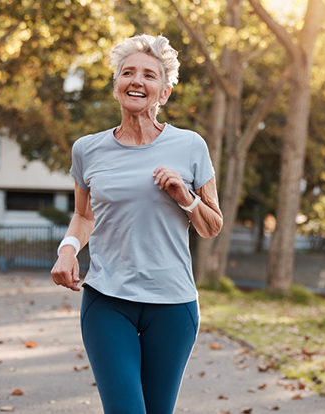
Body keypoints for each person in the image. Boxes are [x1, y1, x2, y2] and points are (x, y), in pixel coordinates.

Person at [50, 34, 223, 414]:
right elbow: (84, 216)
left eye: (149, 75)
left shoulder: (191, 146)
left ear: (164, 92)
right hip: (108, 300)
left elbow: (212, 225)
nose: (137, 81)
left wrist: (186, 198)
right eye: (127, 73)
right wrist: (67, 252)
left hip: (174, 305)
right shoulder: (88, 150)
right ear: (116, 87)